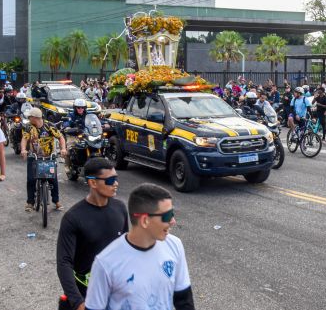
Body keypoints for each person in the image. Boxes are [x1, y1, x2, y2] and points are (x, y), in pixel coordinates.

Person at [85, 183, 195, 310]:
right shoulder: (105, 263)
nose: (173, 221)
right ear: (144, 220)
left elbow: (184, 301)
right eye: (167, 216)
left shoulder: (175, 245)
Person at [56, 158, 128, 310]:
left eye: (116, 178)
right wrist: (78, 303)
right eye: (110, 180)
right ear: (93, 183)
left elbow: (127, 250)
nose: (116, 184)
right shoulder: (73, 218)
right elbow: (64, 263)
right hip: (85, 295)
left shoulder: (120, 208)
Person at [21, 107, 67, 212]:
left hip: (48, 156)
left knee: (53, 179)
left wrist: (63, 148)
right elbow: (24, 138)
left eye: (30, 117)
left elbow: (61, 137)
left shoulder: (49, 126)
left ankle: (56, 201)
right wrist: (23, 149)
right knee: (31, 179)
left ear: (35, 118)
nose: (28, 118)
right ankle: (30, 202)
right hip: (34, 156)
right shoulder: (29, 127)